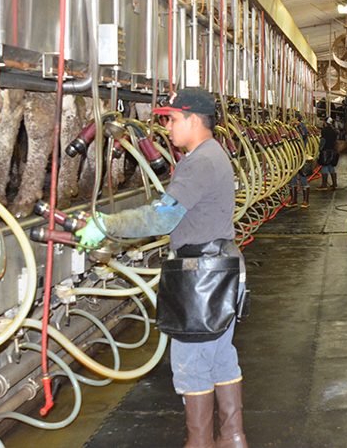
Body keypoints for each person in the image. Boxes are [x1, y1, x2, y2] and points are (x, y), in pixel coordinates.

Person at [77, 88, 249, 448]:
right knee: (220, 355)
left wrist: (108, 224)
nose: (166, 126)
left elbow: (164, 215)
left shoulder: (201, 161)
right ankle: (232, 437)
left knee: (190, 361)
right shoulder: (211, 155)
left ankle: (199, 442)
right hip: (220, 268)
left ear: (193, 120)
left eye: (171, 119)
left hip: (201, 276)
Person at [285, 113, 310, 208]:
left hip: (300, 155)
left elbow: (301, 137)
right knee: (292, 177)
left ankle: (306, 201)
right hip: (293, 155)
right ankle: (293, 200)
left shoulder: (302, 128)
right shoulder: (292, 128)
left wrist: (296, 127)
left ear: (296, 118)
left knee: (302, 177)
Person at [317, 116, 338, 190]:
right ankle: (335, 184)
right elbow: (335, 141)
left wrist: (319, 149)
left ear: (325, 122)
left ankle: (324, 185)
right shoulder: (333, 131)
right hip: (331, 150)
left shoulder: (324, 130)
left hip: (325, 150)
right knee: (330, 166)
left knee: (324, 166)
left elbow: (323, 141)